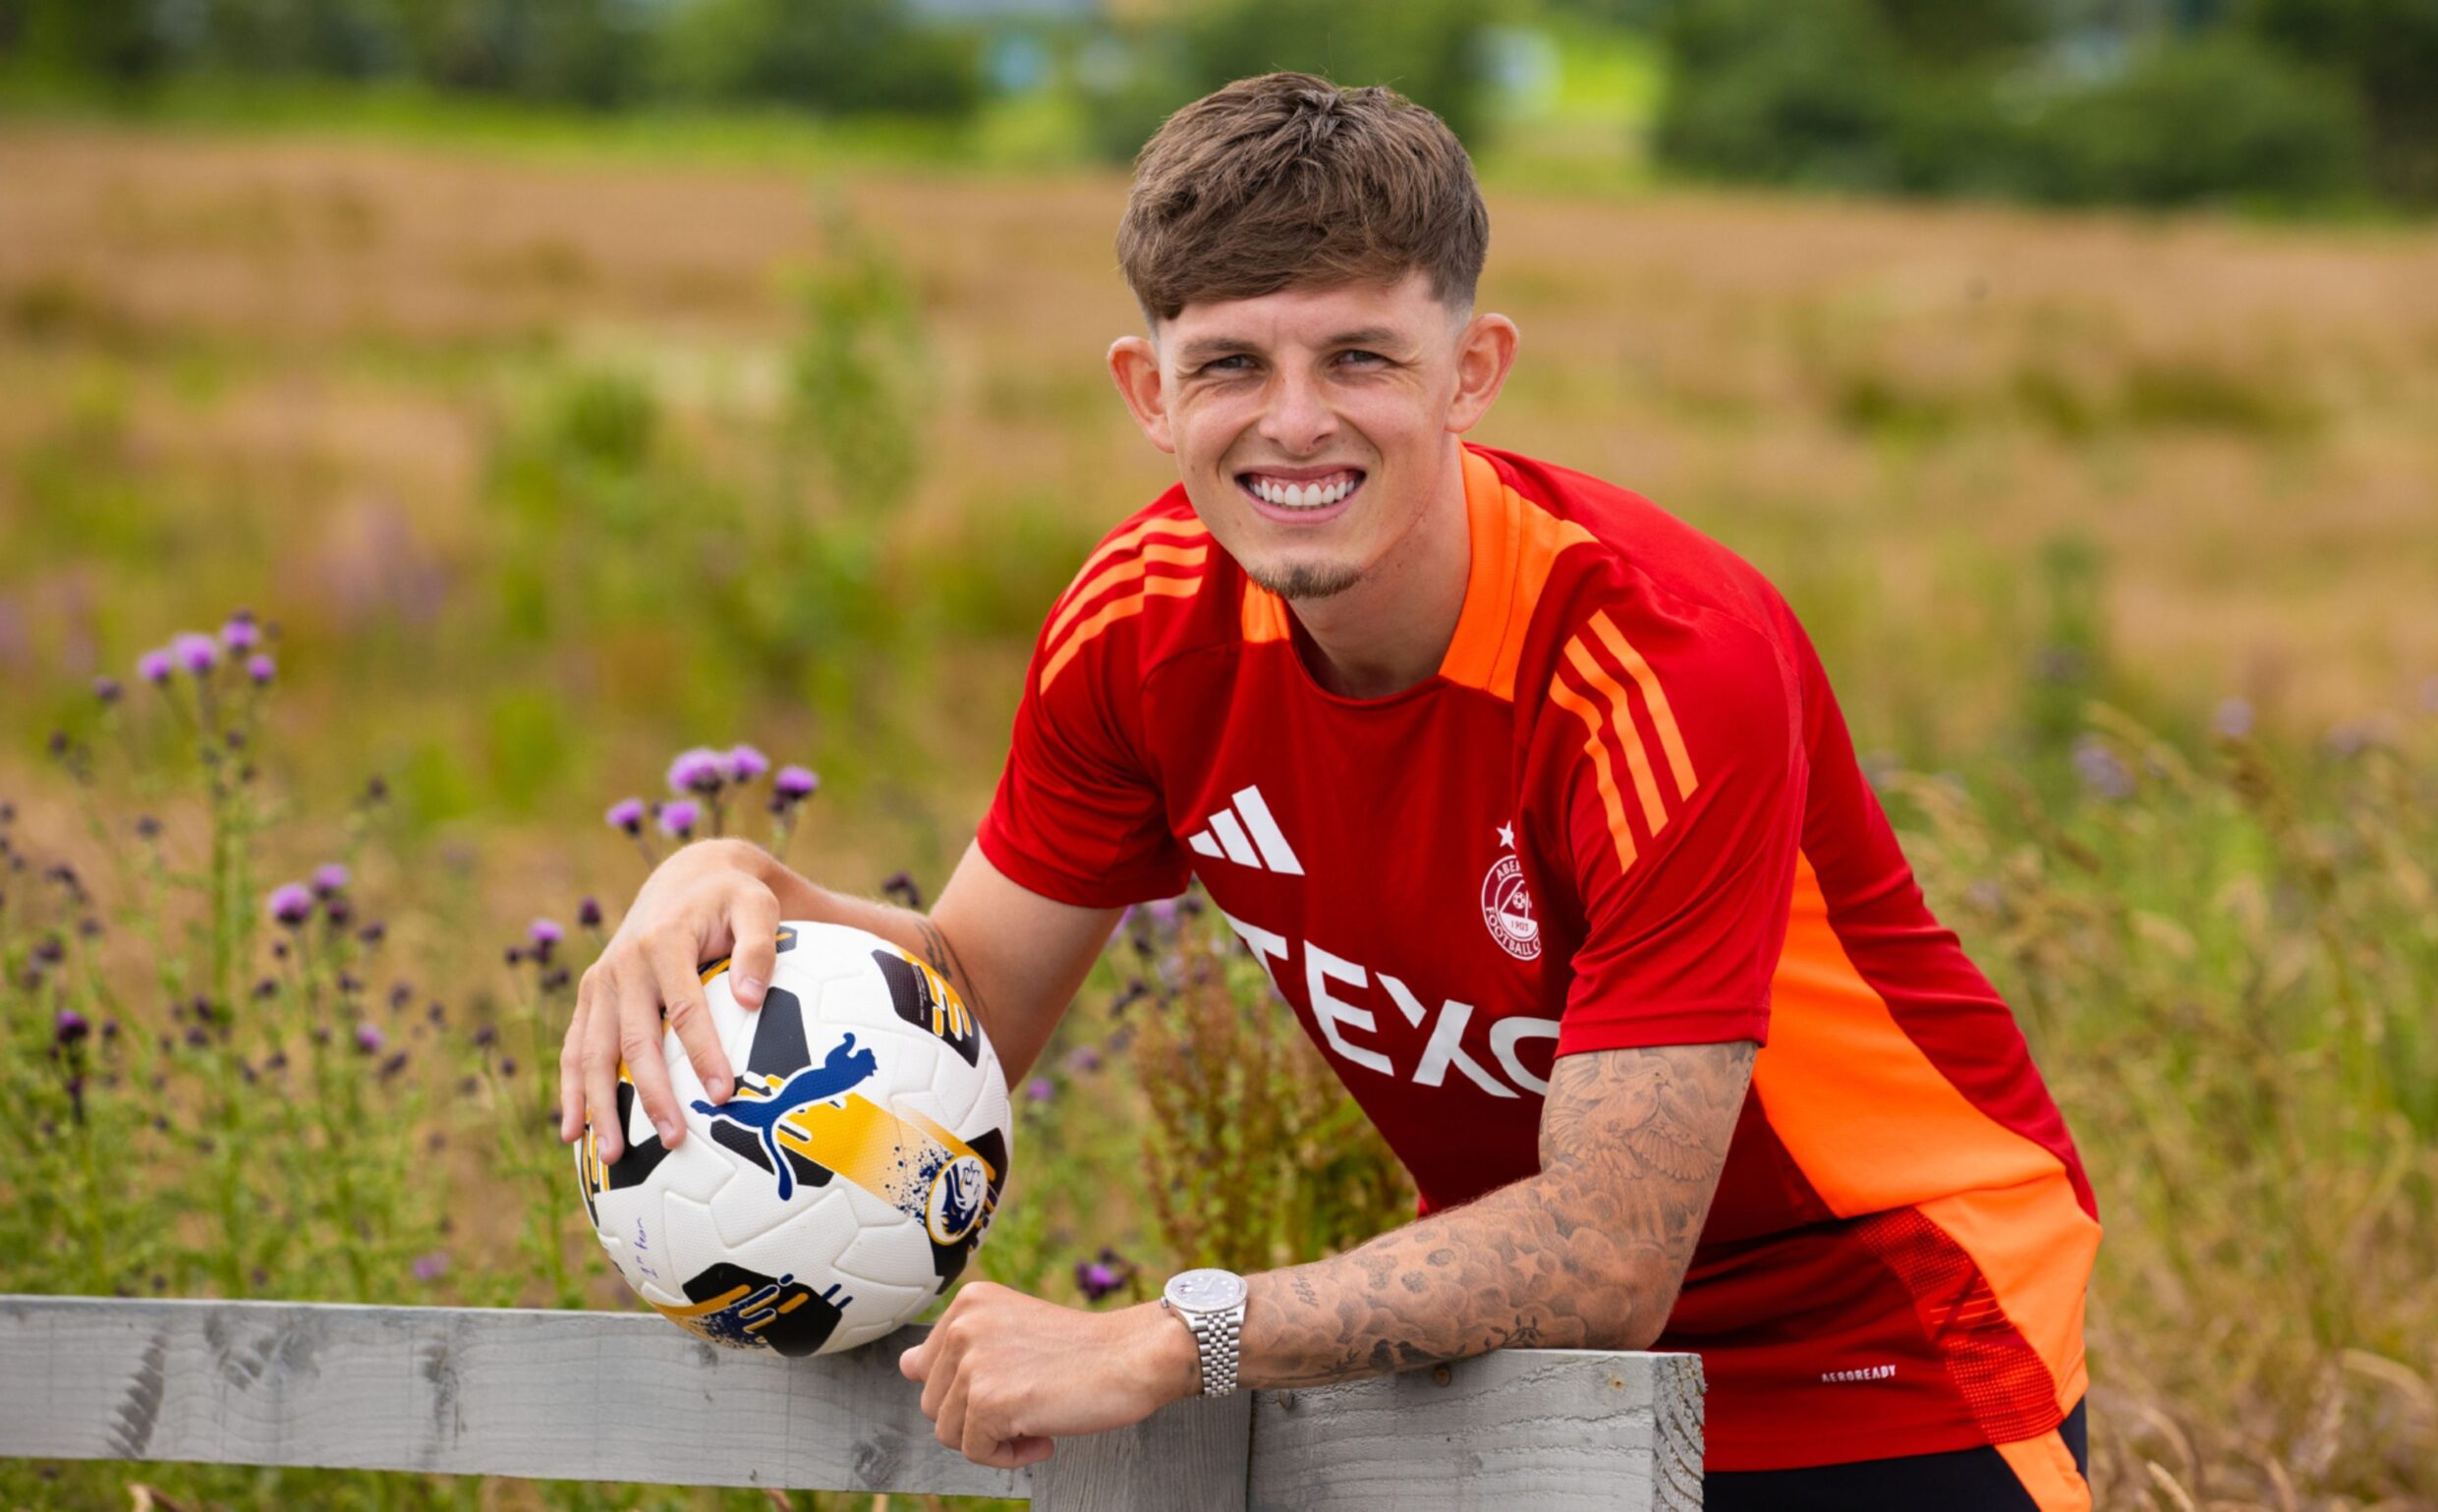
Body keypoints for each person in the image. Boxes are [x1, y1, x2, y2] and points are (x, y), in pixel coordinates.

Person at [557, 72, 2100, 1511]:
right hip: (1518, 1356)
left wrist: (1170, 1339)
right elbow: (963, 999)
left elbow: (1609, 1248)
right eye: (1231, 362)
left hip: (1887, 1340)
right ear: (1148, 393)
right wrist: (745, 885)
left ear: (1472, 372)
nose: (1295, 422)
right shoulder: (1143, 626)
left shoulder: (1655, 665)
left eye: (1360, 356)